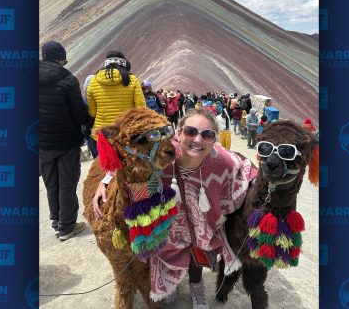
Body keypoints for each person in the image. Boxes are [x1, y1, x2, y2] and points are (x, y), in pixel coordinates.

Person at [149, 108, 258, 307]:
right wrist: (105, 181)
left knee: (197, 252)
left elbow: (243, 165)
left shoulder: (220, 160)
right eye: (191, 132)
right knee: (165, 249)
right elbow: (129, 162)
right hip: (169, 223)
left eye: (207, 135)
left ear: (213, 140)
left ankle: (196, 286)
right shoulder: (161, 155)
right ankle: (169, 284)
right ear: (179, 132)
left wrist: (260, 180)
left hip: (201, 223)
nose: (198, 140)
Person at [39, 41, 90, 241]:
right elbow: (79, 114)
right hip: (66, 141)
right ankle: (67, 226)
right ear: (60, 59)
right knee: (67, 183)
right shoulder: (68, 79)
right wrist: (87, 121)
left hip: (41, 141)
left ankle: (56, 221)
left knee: (51, 182)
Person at [86, 50, 145, 143]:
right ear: (123, 63)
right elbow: (141, 108)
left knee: (105, 158)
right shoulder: (132, 80)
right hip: (126, 133)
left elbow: (92, 112)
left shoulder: (93, 81)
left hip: (103, 134)